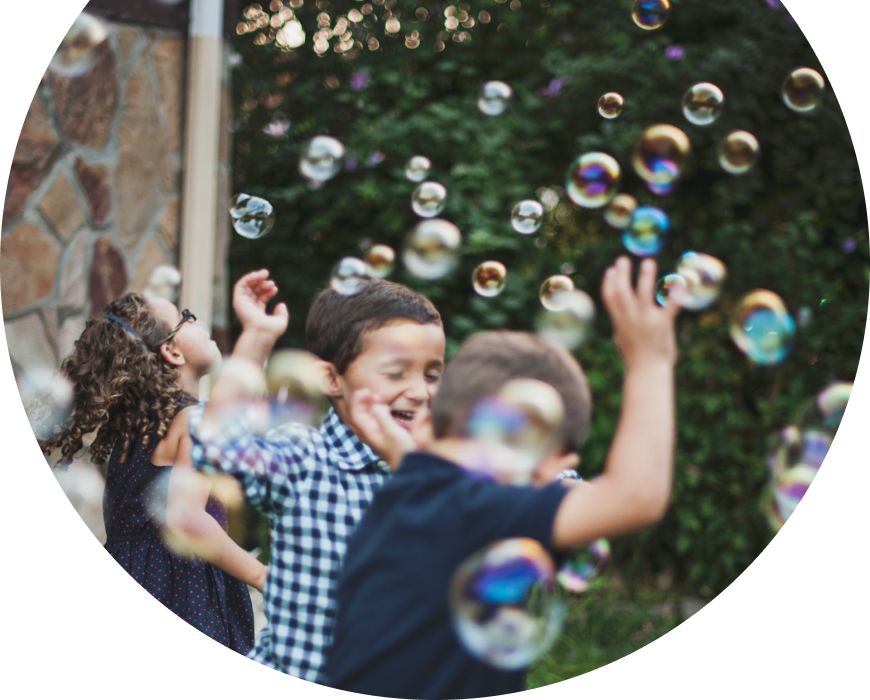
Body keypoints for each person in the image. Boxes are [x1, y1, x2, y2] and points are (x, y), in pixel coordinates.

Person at [323, 256, 680, 699]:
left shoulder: (407, 491)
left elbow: (420, 465)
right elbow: (637, 497)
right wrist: (651, 360)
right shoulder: (476, 507)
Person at [188, 269, 447, 680]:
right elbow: (216, 444)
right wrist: (256, 337)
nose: (420, 391)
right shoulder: (306, 458)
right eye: (397, 372)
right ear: (330, 377)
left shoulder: (443, 474)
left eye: (432, 374)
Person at [36, 291, 262, 653]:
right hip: (184, 592)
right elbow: (186, 517)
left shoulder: (139, 431)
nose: (196, 318)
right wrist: (263, 575)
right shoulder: (192, 422)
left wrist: (258, 333)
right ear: (171, 352)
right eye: (185, 316)